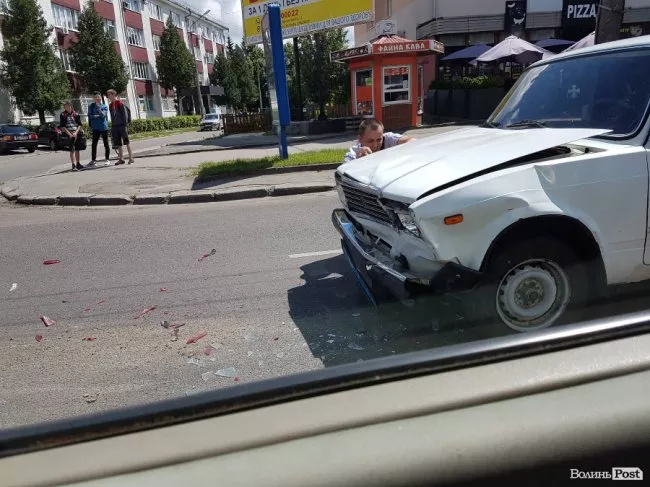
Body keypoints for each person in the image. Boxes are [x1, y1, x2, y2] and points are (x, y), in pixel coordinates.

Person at [344, 119, 414, 162]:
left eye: (379, 140)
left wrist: (397, 154)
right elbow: (345, 171)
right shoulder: (353, 153)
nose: (375, 145)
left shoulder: (388, 138)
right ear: (360, 139)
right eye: (370, 141)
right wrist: (358, 162)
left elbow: (413, 141)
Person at [106, 88, 134, 165]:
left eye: (109, 95)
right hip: (115, 126)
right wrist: (112, 126)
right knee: (118, 143)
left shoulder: (119, 102)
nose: (108, 96)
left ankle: (131, 158)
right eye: (108, 95)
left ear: (114, 94)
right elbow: (112, 116)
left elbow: (124, 114)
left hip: (122, 125)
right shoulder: (110, 105)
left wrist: (125, 124)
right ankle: (121, 159)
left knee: (126, 142)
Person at [59, 101, 85, 171]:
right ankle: (73, 165)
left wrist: (76, 132)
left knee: (77, 149)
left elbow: (79, 124)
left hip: (76, 133)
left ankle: (78, 163)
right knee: (72, 149)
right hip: (69, 133)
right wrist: (70, 134)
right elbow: (62, 126)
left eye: (66, 105)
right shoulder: (63, 114)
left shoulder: (76, 114)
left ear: (70, 106)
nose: (65, 107)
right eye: (64, 106)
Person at [88, 92, 111, 167]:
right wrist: (96, 116)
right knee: (94, 144)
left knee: (106, 144)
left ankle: (107, 159)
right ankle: (93, 160)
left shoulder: (104, 106)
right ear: (94, 98)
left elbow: (103, 115)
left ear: (101, 98)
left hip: (103, 127)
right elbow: (89, 116)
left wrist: (98, 109)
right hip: (95, 128)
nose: (98, 98)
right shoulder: (91, 106)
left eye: (99, 97)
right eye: (96, 97)